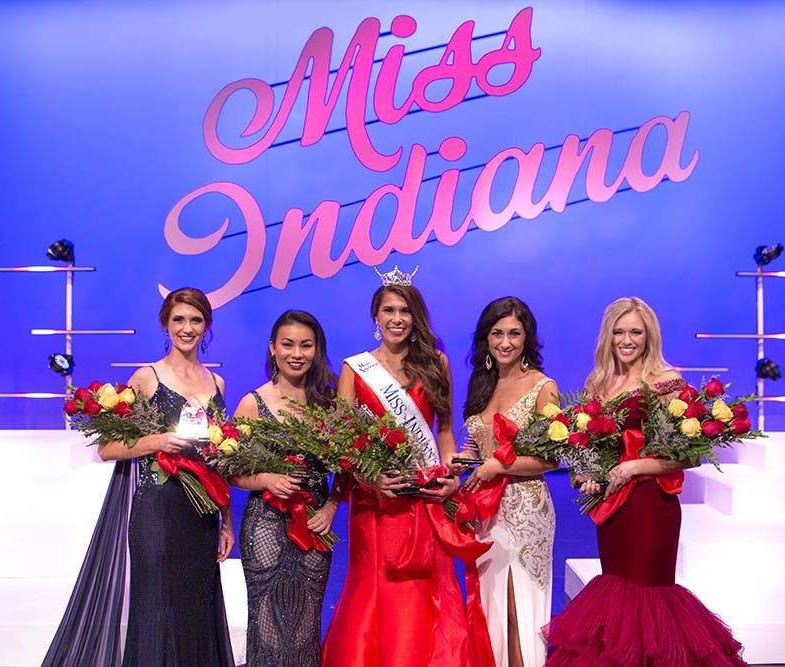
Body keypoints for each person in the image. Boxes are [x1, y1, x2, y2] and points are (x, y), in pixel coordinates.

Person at [544, 297, 746, 666]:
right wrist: (587, 474)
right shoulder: (598, 383)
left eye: (635, 331)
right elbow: (590, 449)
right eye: (619, 331)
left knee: (649, 597)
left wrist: (635, 468)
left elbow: (690, 454)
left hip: (652, 505)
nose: (627, 339)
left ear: (649, 335)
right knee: (616, 598)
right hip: (613, 508)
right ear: (608, 336)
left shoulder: (666, 382)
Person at [43, 287, 234, 666]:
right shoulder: (147, 378)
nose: (187, 328)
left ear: (207, 326)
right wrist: (157, 440)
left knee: (196, 607)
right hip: (157, 510)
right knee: (156, 611)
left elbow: (220, 462)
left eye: (196, 320)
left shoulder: (218, 384)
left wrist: (226, 522)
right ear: (165, 324)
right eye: (179, 319)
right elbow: (107, 448)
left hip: (201, 517)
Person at [321, 267, 493, 667]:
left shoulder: (436, 363)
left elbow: (445, 432)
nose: (396, 318)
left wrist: (451, 474)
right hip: (374, 502)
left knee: (421, 589)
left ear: (416, 317)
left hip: (423, 498)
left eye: (404, 311)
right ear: (375, 317)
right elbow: (343, 442)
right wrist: (369, 476)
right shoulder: (354, 368)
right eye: (388, 310)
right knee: (372, 587)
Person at [230, 310, 338, 667]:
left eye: (306, 345)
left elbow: (349, 468)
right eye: (288, 344)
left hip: (314, 525)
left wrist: (331, 507)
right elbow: (230, 470)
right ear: (272, 348)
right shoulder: (253, 403)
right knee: (266, 624)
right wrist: (265, 480)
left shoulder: (330, 404)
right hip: (265, 524)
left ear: (316, 349)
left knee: (307, 625)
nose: (297, 353)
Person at [460, 297, 558, 667]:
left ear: (526, 337)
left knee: (519, 610)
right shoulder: (482, 384)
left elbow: (552, 457)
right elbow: (474, 446)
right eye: (496, 333)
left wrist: (500, 468)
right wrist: (453, 468)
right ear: (485, 338)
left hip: (526, 510)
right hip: (486, 511)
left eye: (513, 333)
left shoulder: (542, 386)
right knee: (492, 608)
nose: (504, 342)